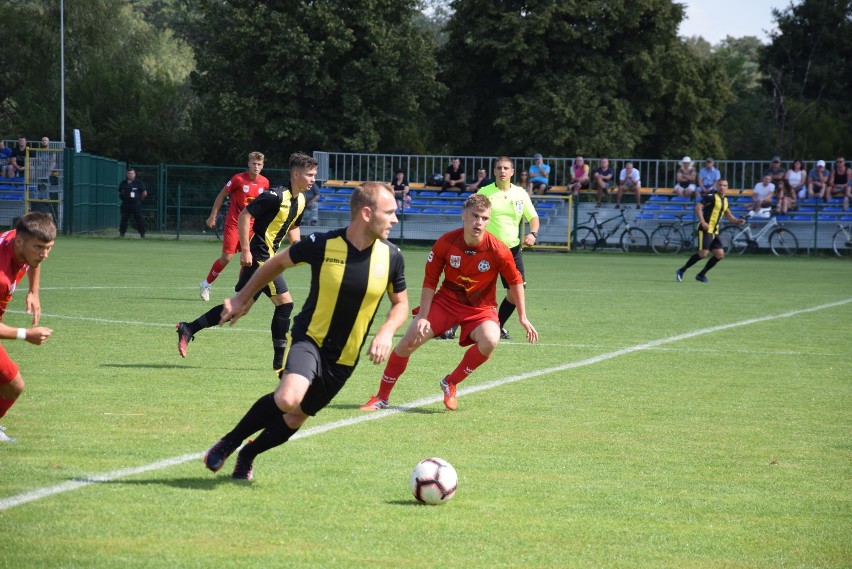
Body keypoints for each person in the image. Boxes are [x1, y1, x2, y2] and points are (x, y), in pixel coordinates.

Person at [202, 182, 408, 481]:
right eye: (389, 212)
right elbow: (277, 262)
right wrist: (242, 297)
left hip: (344, 358)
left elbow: (401, 304)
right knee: (288, 398)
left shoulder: (392, 256)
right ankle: (230, 441)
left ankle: (249, 453)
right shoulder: (324, 243)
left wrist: (387, 330)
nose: (395, 219)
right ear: (366, 213)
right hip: (309, 340)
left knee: (297, 415)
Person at [359, 194, 538, 412]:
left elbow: (515, 281)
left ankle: (450, 382)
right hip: (445, 303)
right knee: (408, 341)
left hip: (480, 309)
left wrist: (522, 317)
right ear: (464, 215)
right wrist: (423, 315)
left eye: (484, 218)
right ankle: (381, 397)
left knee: (491, 338)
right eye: (474, 216)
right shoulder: (446, 242)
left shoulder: (498, 249)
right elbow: (430, 281)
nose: (478, 222)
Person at [177, 152, 315, 371]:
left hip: (269, 258)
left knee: (239, 308)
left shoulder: (301, 200)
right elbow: (245, 215)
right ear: (296, 174)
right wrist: (246, 250)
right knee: (285, 304)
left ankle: (188, 328)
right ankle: (280, 363)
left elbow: (294, 225)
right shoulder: (275, 195)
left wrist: (297, 247)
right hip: (261, 257)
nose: (313, 179)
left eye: (314, 174)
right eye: (309, 175)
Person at [0, 212, 56, 443]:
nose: (44, 254)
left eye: (49, 247)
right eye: (39, 247)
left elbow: (34, 261)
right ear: (21, 242)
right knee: (14, 384)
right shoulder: (1, 276)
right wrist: (25, 335)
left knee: (13, 386)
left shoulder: (20, 239)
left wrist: (34, 291)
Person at [476, 156, 539, 340]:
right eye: (499, 168)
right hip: (487, 249)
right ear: (494, 171)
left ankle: (496, 325)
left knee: (515, 292)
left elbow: (533, 217)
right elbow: (472, 215)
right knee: (473, 288)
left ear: (512, 172)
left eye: (506, 168)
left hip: (512, 250)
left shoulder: (520, 193)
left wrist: (532, 234)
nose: (502, 171)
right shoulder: (484, 192)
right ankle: (452, 327)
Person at [198, 152, 269, 301]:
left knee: (247, 259)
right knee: (227, 257)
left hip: (251, 227)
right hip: (234, 224)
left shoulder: (265, 183)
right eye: (254, 163)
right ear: (248, 164)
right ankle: (206, 284)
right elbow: (222, 195)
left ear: (262, 166)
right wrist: (213, 216)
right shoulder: (238, 179)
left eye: (259, 164)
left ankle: (240, 292)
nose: (256, 166)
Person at [675, 179, 745, 284]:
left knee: (720, 255)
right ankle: (682, 270)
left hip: (714, 231)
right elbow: (698, 207)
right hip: (706, 229)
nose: (722, 187)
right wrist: (703, 222)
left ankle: (701, 274)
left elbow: (728, 214)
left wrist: (736, 221)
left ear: (727, 187)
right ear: (717, 186)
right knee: (703, 254)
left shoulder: (725, 200)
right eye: (720, 185)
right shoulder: (711, 197)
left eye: (724, 185)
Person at [117, 167, 147, 238]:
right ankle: (122, 234)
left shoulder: (139, 183)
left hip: (135, 204)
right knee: (124, 219)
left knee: (139, 219)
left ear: (134, 174)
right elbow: (119, 192)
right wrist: (123, 197)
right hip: (125, 204)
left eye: (132, 173)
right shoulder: (123, 183)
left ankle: (142, 234)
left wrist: (139, 200)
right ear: (127, 174)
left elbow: (144, 193)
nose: (130, 175)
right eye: (129, 173)